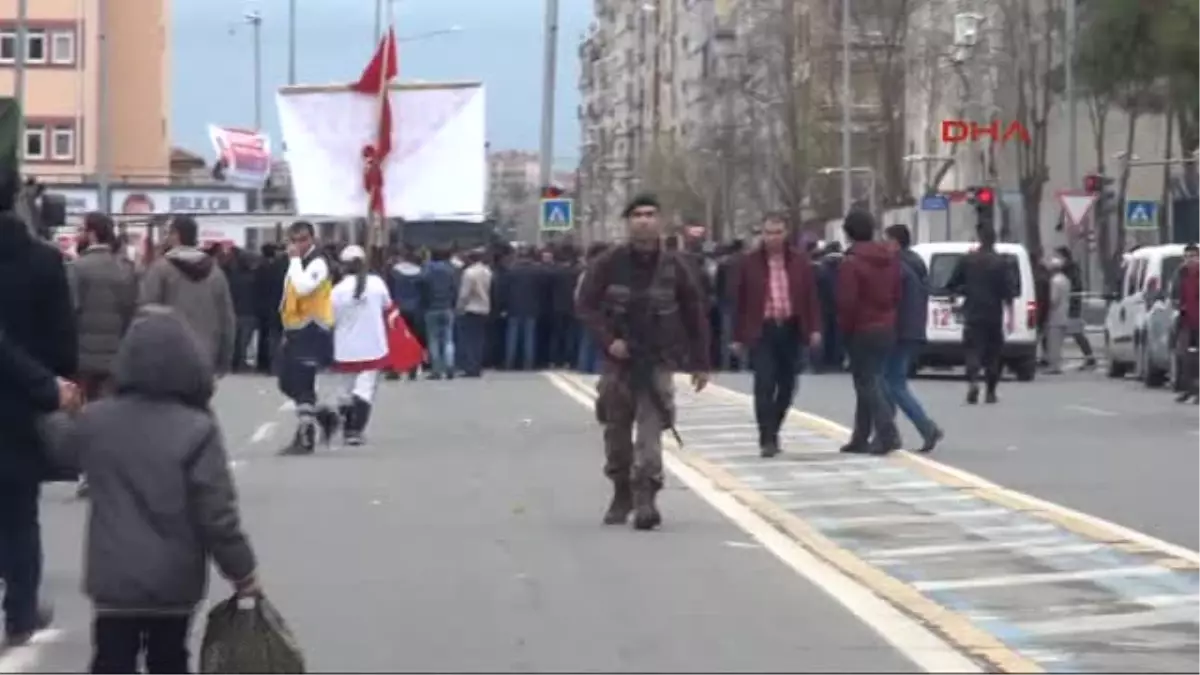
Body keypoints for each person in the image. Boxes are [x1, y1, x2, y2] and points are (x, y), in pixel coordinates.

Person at [52, 307, 258, 674]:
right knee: (170, 657)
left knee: (111, 658)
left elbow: (59, 451)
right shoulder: (197, 428)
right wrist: (242, 572)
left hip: (112, 576)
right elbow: (216, 513)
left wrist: (63, 409)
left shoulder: (97, 421)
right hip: (175, 579)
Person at [576, 193, 710, 530]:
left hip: (658, 360)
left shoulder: (675, 265)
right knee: (616, 435)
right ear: (628, 221)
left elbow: (694, 312)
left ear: (660, 220)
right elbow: (586, 306)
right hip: (619, 363)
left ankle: (646, 497)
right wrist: (610, 341)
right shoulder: (609, 263)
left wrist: (700, 361)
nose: (644, 220)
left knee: (650, 436)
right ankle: (621, 490)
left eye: (650, 214)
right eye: (637, 214)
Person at [0, 202, 78, 646]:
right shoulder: (43, 260)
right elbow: (64, 347)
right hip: (21, 406)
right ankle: (21, 612)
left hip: (24, 387)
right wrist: (50, 385)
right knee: (19, 512)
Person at [730, 213, 821, 458]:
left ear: (786, 233)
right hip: (762, 330)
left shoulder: (800, 261)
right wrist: (737, 337)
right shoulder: (749, 262)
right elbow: (739, 301)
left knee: (788, 384)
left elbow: (810, 297)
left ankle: (774, 428)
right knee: (764, 383)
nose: (773, 237)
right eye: (768, 232)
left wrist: (814, 329)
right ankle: (766, 438)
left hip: (791, 328)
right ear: (762, 234)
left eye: (778, 232)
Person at [837, 211, 902, 455]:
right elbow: (897, 293)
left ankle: (887, 433)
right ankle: (860, 436)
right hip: (886, 325)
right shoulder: (890, 258)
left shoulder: (851, 262)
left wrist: (845, 330)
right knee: (870, 380)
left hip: (861, 328)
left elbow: (847, 302)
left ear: (848, 233)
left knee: (866, 383)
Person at [138, 215, 236, 376]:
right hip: (205, 354)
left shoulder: (161, 269)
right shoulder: (216, 273)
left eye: (168, 233)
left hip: (167, 356)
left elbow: (146, 312)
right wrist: (225, 359)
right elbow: (227, 318)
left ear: (176, 235)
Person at [277, 221, 337, 455]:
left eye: (303, 239)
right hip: (295, 329)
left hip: (312, 330)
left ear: (312, 239)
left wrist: (293, 261)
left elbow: (303, 288)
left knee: (303, 383)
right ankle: (322, 414)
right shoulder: (298, 264)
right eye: (293, 240)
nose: (298, 245)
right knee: (286, 381)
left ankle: (305, 435)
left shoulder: (318, 262)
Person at [881, 224, 942, 452]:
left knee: (892, 383)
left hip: (900, 330)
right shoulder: (917, 263)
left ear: (895, 243)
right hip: (912, 329)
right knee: (891, 381)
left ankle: (925, 427)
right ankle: (888, 431)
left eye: (886, 240)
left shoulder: (898, 266)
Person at [946, 224, 1016, 404]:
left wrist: (959, 295)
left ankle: (973, 381)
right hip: (994, 313)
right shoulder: (1002, 263)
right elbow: (1008, 292)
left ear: (979, 238)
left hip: (973, 312)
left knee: (972, 350)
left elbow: (952, 284)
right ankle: (991, 392)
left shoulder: (968, 260)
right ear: (995, 239)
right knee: (994, 353)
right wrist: (1011, 317)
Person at [329, 246, 391, 444]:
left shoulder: (337, 290)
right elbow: (387, 305)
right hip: (373, 344)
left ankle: (347, 425)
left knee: (344, 390)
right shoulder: (377, 284)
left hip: (345, 346)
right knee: (364, 389)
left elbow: (330, 319)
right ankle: (355, 430)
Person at [1054, 246, 1097, 370]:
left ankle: (1090, 358)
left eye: (1057, 256)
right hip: (1067, 305)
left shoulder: (1070, 269)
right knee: (1066, 332)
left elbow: (1075, 286)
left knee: (1076, 332)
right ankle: (1053, 358)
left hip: (1071, 305)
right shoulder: (1066, 269)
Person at [421, 247, 460, 380]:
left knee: (433, 340)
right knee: (449, 340)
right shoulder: (451, 270)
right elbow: (455, 289)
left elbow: (422, 285)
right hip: (447, 307)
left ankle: (436, 370)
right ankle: (450, 367)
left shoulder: (428, 270)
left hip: (432, 308)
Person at [388, 249, 427, 380]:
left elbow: (390, 290)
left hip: (398, 309)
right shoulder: (421, 272)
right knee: (414, 339)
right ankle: (414, 366)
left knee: (397, 339)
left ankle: (396, 368)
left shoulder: (395, 271)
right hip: (416, 309)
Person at [457, 249, 493, 378]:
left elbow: (464, 294)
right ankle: (477, 366)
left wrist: (459, 307)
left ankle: (470, 367)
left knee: (469, 340)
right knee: (479, 340)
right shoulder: (487, 272)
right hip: (484, 307)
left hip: (471, 308)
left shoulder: (469, 273)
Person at [1173, 244, 1200, 402]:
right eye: (1187, 256)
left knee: (1197, 358)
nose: (1190, 260)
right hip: (1186, 320)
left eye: (1193, 256)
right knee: (1185, 357)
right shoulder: (1181, 273)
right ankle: (1188, 389)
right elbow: (1176, 293)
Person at [1043, 256, 1071, 375]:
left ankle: (1053, 366)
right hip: (1064, 313)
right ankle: (1057, 364)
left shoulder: (1054, 281)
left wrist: (1047, 310)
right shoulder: (1065, 280)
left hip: (1055, 316)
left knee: (1053, 342)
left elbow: (1053, 299)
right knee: (1059, 343)